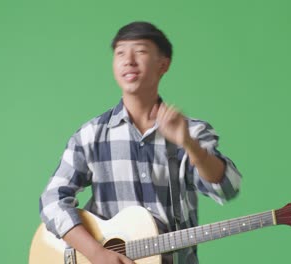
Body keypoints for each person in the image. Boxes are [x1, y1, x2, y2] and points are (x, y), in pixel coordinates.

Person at [39, 21, 242, 264]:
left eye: (141, 51)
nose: (129, 60)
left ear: (163, 64)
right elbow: (52, 201)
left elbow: (228, 187)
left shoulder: (192, 132)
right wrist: (96, 253)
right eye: (120, 53)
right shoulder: (90, 136)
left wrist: (189, 144)